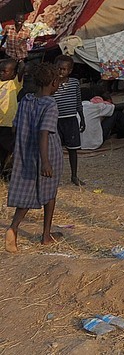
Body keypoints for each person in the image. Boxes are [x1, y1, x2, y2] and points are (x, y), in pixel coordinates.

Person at [5, 63, 63, 252]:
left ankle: (13, 228)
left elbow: (15, 127)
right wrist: (45, 161)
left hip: (26, 154)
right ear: (54, 82)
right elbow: (44, 133)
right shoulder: (51, 105)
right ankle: (46, 235)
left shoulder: (26, 101)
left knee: (26, 195)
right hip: (47, 154)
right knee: (50, 193)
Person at [52, 56, 85, 186]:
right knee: (55, 150)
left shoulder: (75, 83)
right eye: (58, 68)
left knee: (73, 149)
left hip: (71, 119)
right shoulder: (51, 83)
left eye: (64, 69)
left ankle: (74, 175)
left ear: (69, 71)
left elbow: (78, 101)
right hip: (55, 120)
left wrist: (82, 118)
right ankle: (53, 177)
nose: (60, 71)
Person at [0, 59, 22, 177]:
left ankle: (8, 172)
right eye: (0, 71)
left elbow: (22, 69)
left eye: (5, 71)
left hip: (9, 123)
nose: (1, 73)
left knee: (8, 148)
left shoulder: (14, 83)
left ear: (13, 74)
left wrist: (19, 61)